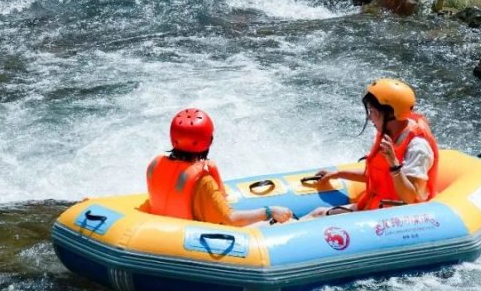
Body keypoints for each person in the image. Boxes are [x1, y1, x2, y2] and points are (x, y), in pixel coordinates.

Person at [310, 79, 439, 213]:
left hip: (400, 218)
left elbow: (410, 198)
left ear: (389, 114)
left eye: (372, 111)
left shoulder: (418, 147)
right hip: (378, 207)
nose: (370, 117)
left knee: (317, 215)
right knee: (317, 213)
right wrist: (337, 174)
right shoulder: (388, 135)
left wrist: (394, 165)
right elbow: (379, 176)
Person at [146, 109, 293, 226]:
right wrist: (269, 211)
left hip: (162, 233)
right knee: (316, 213)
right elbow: (231, 220)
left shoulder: (154, 165)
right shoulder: (203, 181)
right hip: (197, 239)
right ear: (208, 140)